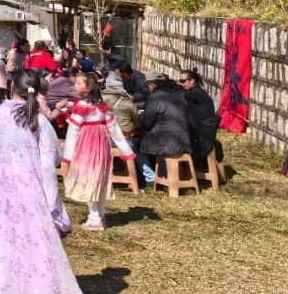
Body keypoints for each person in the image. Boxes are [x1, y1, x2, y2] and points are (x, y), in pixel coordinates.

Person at [0, 69, 82, 294]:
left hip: (1, 188)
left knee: (2, 238)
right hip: (31, 187)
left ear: (12, 86)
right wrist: (51, 197)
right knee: (34, 239)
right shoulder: (39, 120)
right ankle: (37, 289)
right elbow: (49, 160)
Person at [61, 71, 135, 230]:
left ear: (88, 88)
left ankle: (94, 218)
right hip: (102, 147)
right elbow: (114, 128)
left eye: (79, 83)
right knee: (99, 179)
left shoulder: (82, 107)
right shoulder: (101, 107)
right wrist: (125, 149)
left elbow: (73, 132)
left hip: (87, 148)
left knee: (88, 179)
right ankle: (100, 215)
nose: (75, 86)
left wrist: (68, 155)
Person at [139, 71, 193, 183]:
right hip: (184, 141)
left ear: (152, 85)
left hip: (165, 143)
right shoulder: (179, 94)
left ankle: (151, 178)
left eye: (147, 86)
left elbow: (147, 122)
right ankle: (164, 174)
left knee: (135, 146)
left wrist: (140, 116)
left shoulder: (154, 97)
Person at [180, 68, 223, 166]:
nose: (181, 84)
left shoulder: (196, 93)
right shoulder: (195, 91)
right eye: (180, 81)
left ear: (192, 81)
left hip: (204, 131)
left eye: (183, 81)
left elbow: (182, 96)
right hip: (205, 128)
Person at [101, 70, 141, 138]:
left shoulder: (98, 100)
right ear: (121, 85)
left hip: (104, 135)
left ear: (107, 85)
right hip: (124, 136)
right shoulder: (128, 101)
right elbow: (137, 124)